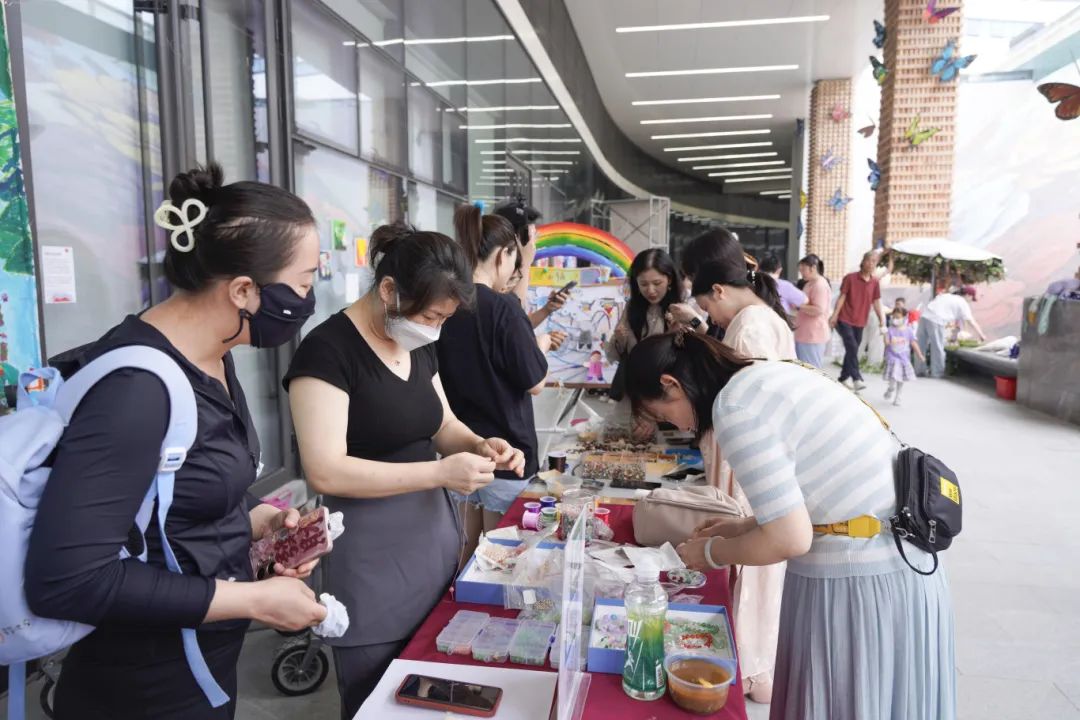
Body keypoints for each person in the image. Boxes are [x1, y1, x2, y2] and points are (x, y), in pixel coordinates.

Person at [25, 163, 328, 720]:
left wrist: (256, 521)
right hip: (139, 693)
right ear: (242, 290)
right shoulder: (136, 390)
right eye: (304, 283)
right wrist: (254, 600)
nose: (307, 300)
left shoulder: (213, 356)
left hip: (201, 670)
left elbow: (170, 500)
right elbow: (67, 580)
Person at [623, 332, 956, 720]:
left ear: (671, 384)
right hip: (897, 565)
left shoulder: (735, 408)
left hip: (862, 583)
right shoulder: (765, 375)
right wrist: (743, 527)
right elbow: (816, 500)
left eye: (665, 415)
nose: (677, 426)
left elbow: (789, 537)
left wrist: (710, 554)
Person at [284, 223, 526, 719]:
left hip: (431, 547)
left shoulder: (416, 343)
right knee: (383, 700)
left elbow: (443, 426)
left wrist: (482, 445)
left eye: (443, 319)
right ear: (389, 291)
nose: (434, 328)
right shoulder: (327, 352)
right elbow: (325, 471)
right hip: (369, 560)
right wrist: (438, 475)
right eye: (432, 315)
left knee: (440, 695)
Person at [689, 252, 793, 703]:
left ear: (717, 291)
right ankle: (754, 661)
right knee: (755, 562)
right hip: (762, 459)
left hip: (754, 462)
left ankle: (752, 668)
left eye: (707, 307)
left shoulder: (748, 326)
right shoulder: (761, 318)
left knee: (753, 564)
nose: (709, 317)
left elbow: (748, 408)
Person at [439, 205, 555, 548]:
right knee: (502, 562)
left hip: (458, 455)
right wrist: (542, 346)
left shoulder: (444, 305)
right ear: (503, 255)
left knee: (461, 557)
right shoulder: (503, 309)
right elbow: (535, 382)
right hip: (508, 456)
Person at [493, 200, 570, 327]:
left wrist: (547, 309)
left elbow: (519, 324)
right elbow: (515, 324)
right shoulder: (498, 270)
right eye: (532, 234)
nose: (535, 238)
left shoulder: (514, 267)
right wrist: (525, 263)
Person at [829, 251, 885, 391]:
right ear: (863, 261)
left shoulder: (874, 282)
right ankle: (856, 378)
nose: (871, 264)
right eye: (869, 260)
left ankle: (843, 378)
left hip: (860, 321)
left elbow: (877, 302)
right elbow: (842, 297)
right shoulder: (850, 278)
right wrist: (835, 315)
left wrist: (882, 320)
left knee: (852, 349)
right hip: (844, 318)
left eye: (874, 262)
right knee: (853, 346)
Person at [916, 285, 987, 378]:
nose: (970, 301)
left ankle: (919, 370)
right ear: (968, 295)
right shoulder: (962, 302)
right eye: (971, 298)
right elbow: (971, 321)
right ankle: (937, 373)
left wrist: (954, 336)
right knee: (937, 347)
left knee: (920, 346)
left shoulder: (948, 296)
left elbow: (957, 324)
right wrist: (981, 335)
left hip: (924, 317)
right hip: (936, 320)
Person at [793, 254, 831, 368]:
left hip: (813, 336)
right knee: (803, 370)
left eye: (803, 269)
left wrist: (799, 305)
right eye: (800, 270)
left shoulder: (820, 285)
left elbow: (818, 309)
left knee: (811, 371)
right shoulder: (809, 283)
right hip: (804, 334)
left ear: (813, 268)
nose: (801, 273)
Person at [884, 309, 925, 406]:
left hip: (903, 358)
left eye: (897, 317)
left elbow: (913, 343)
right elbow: (886, 342)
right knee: (893, 376)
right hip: (892, 357)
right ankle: (891, 388)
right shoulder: (890, 330)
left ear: (904, 318)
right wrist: (888, 340)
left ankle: (898, 397)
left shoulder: (909, 331)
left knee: (900, 378)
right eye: (893, 317)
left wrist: (919, 355)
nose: (895, 319)